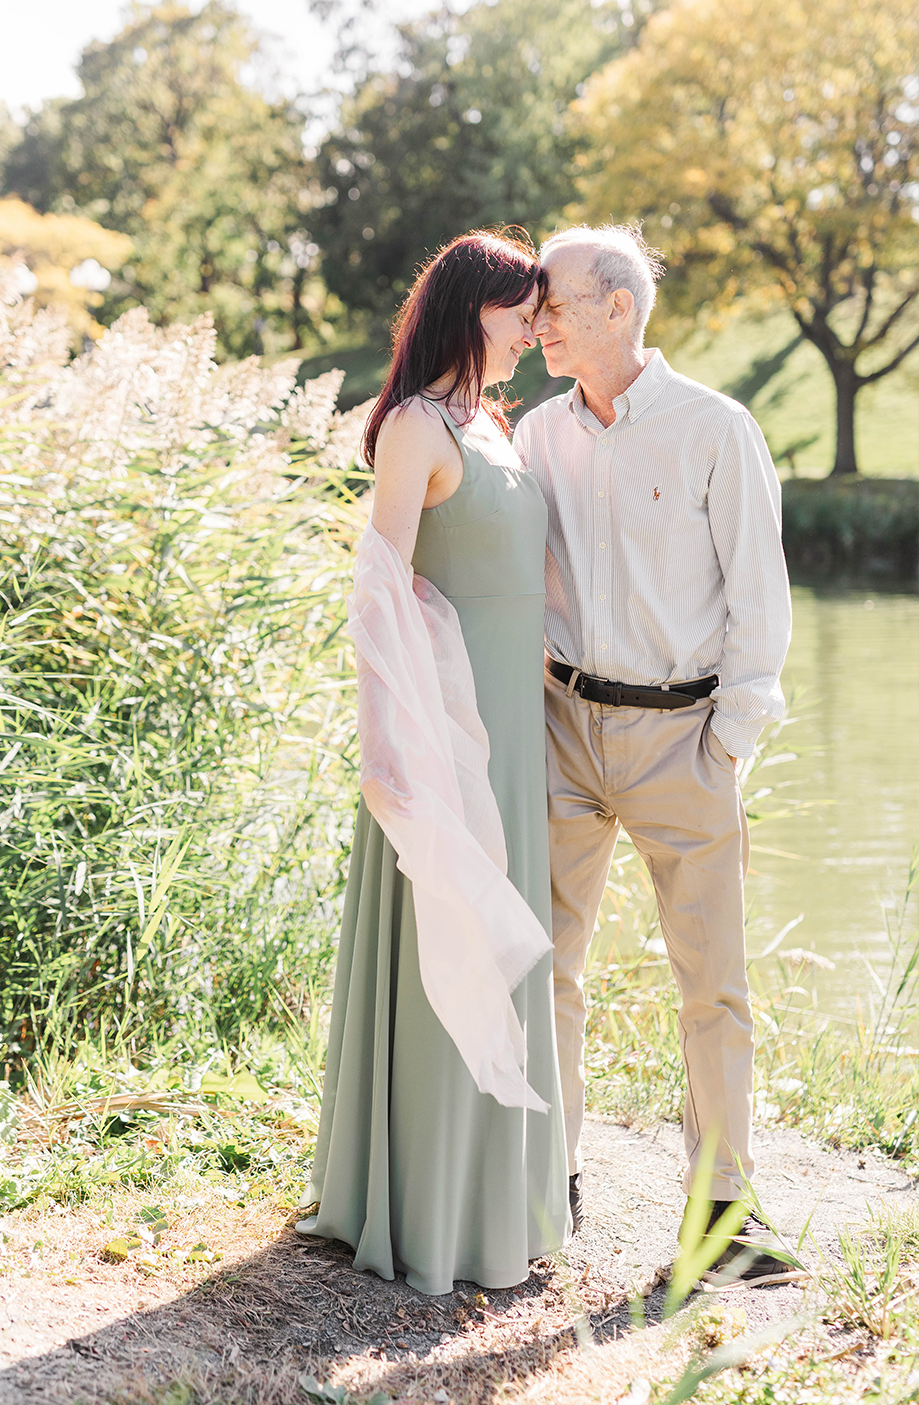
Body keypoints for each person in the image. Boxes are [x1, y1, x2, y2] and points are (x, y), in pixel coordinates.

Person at [516, 225, 793, 1282]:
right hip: (562, 730)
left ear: (616, 306)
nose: (538, 321)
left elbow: (757, 598)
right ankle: (548, 1180)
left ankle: (721, 1215)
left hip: (682, 736)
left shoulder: (712, 428)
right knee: (543, 965)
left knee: (710, 984)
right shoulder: (538, 435)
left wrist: (726, 740)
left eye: (553, 303)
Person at [298, 228, 571, 1295]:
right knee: (446, 924)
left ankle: (499, 1203)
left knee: (511, 937)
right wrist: (400, 753)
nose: (531, 334)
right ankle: (427, 1206)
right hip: (445, 726)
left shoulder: (493, 427)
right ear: (473, 311)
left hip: (514, 718)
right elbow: (382, 596)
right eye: (521, 314)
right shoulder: (415, 426)